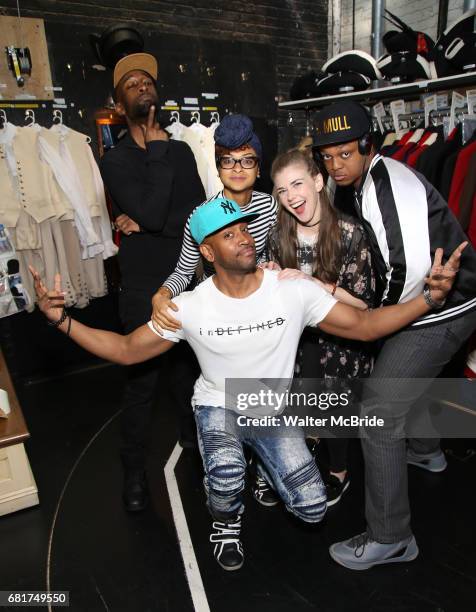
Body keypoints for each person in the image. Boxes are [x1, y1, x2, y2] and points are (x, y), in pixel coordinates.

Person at [30, 197, 464, 572]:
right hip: (219, 403)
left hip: (271, 408)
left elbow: (366, 326)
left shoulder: (290, 289)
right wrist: (62, 321)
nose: (243, 238)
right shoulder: (189, 306)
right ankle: (225, 517)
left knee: (312, 509)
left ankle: (260, 459)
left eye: (243, 229)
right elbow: (126, 349)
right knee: (225, 475)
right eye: (228, 234)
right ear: (207, 251)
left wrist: (428, 299)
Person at [312, 100, 476, 570]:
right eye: (327, 156)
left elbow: (409, 275)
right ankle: (426, 451)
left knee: (379, 408)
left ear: (367, 146)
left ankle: (391, 536)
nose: (335, 165)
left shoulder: (391, 186)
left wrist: (366, 318)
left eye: (345, 153)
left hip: (442, 308)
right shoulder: (354, 183)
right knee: (411, 380)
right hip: (432, 302)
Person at [99, 53, 205, 512]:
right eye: (131, 83)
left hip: (187, 282)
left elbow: (198, 216)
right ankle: (134, 472)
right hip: (142, 286)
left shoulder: (180, 150)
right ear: (119, 104)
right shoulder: (116, 160)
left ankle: (194, 443)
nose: (142, 85)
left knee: (188, 375)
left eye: (147, 80)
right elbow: (155, 211)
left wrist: (149, 221)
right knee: (141, 387)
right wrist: (149, 216)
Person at [267, 149, 376, 505]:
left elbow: (363, 303)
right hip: (297, 340)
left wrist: (316, 284)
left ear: (318, 181)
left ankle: (339, 471)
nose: (291, 197)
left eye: (297, 184)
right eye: (282, 191)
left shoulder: (350, 233)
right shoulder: (278, 234)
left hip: (341, 342)